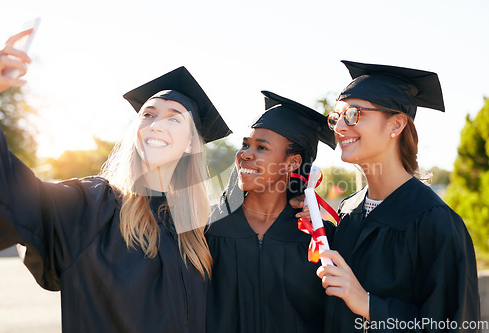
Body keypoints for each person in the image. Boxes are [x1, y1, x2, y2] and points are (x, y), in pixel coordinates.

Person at [0, 29, 231, 333]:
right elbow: (14, 192)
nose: (156, 125)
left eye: (173, 117)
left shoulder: (197, 229)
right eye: (148, 115)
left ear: (191, 144)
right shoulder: (94, 206)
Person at [310, 60, 480, 331]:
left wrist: (367, 304)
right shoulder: (349, 210)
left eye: (354, 114)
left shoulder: (434, 223)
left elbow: (454, 325)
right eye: (336, 117)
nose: (339, 127)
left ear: (396, 124)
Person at [205, 90, 336, 333]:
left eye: (261, 147)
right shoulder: (209, 227)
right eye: (245, 145)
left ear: (293, 162)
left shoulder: (318, 239)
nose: (245, 154)